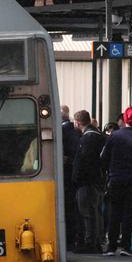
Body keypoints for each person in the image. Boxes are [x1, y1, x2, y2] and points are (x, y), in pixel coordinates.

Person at [100, 106, 132, 255]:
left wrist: (110, 171)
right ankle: (126, 246)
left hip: (115, 179)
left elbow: (103, 158)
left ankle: (111, 246)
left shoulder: (114, 136)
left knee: (114, 212)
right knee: (129, 213)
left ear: (124, 119)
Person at [72, 110, 105, 253]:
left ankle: (90, 242)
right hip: (96, 180)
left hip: (86, 181)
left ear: (77, 122)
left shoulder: (87, 138)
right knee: (94, 211)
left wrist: (76, 178)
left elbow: (83, 161)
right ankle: (96, 241)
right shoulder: (98, 136)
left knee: (86, 212)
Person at [61, 105, 82, 248]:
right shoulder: (75, 131)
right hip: (73, 175)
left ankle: (70, 239)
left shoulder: (65, 131)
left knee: (70, 208)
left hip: (68, 175)